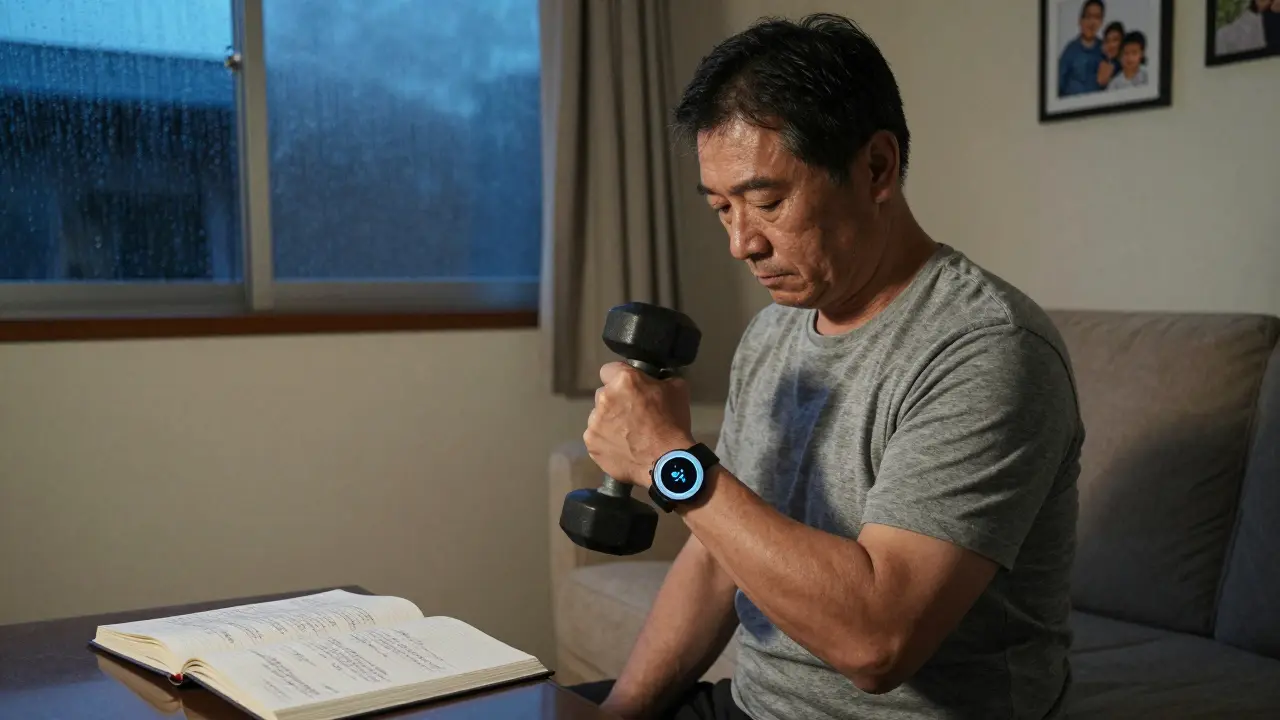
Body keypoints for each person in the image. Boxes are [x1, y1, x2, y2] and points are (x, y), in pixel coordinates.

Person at [572, 12, 1083, 720]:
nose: (741, 243)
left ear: (876, 168)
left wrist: (669, 460)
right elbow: (720, 553)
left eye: (766, 202)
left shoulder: (988, 349)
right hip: (754, 707)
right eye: (721, 208)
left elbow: (877, 642)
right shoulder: (773, 332)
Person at [1058, 0, 1107, 96]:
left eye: (1097, 17)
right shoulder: (1070, 50)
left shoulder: (1105, 50)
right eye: (1088, 17)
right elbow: (1058, 84)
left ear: (1101, 22)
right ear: (1080, 20)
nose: (1092, 22)